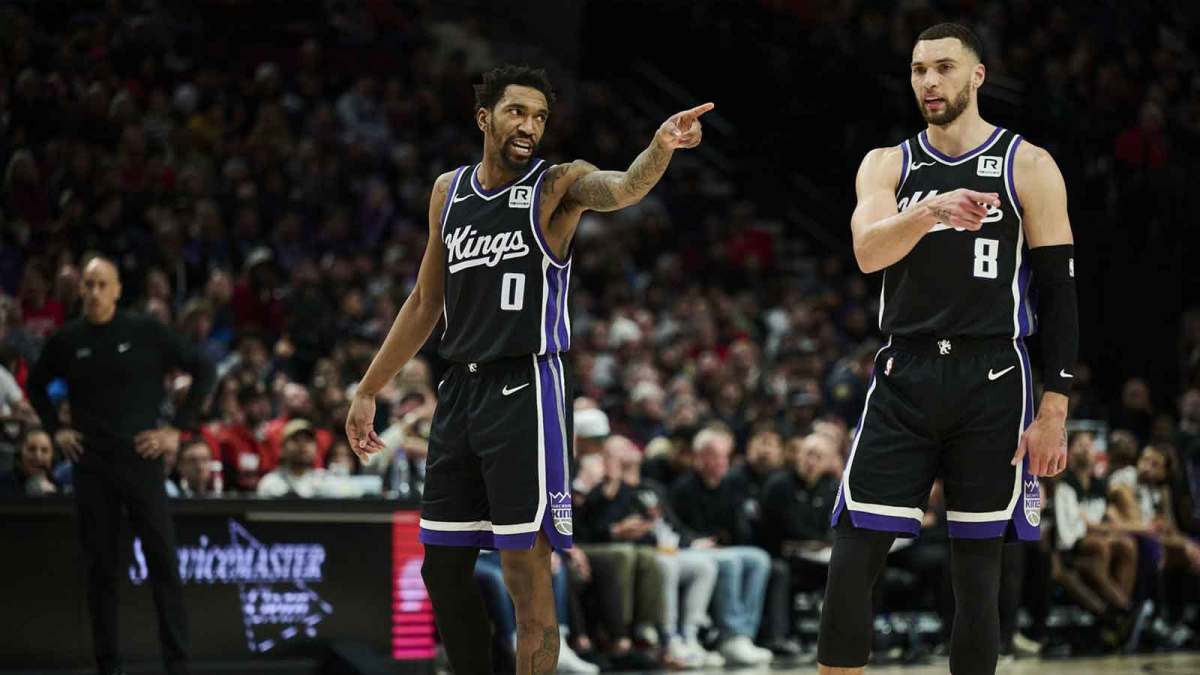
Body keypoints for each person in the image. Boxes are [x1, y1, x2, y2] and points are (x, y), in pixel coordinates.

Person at [343, 65, 711, 674]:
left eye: (540, 117)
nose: (529, 126)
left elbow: (623, 188)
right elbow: (425, 301)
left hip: (525, 388)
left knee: (525, 573)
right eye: (517, 112)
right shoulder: (448, 191)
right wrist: (368, 388)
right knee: (442, 569)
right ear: (484, 117)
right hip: (459, 390)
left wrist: (660, 147)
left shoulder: (555, 184)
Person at [818, 23, 1076, 675]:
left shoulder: (1029, 164)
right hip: (904, 372)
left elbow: (1060, 293)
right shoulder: (887, 163)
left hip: (993, 374)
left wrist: (1055, 407)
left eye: (944, 67)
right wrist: (930, 211)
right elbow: (867, 252)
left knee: (977, 574)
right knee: (851, 557)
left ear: (977, 75)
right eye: (918, 70)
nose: (929, 82)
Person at [27, 256, 216, 675]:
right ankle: (108, 666)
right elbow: (35, 384)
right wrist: (55, 429)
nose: (94, 292)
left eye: (102, 284)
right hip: (91, 463)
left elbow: (204, 368)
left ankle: (178, 665)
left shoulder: (145, 331)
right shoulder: (68, 339)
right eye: (88, 284)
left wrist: (177, 429)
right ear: (81, 290)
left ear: (117, 290)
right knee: (101, 570)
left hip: (141, 460)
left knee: (163, 563)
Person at [0, 425, 58, 496]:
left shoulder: (58, 486)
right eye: (31, 449)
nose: (38, 456)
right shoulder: (3, 483)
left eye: (44, 450)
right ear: (20, 453)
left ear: (52, 456)